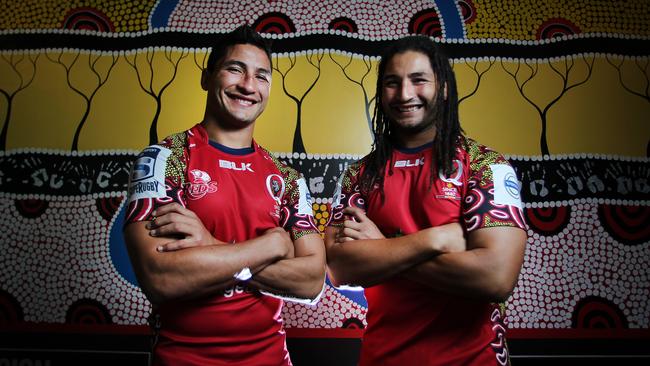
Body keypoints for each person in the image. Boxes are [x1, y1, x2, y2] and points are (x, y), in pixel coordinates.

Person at [123, 25, 326, 366]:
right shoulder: (166, 159)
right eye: (235, 69)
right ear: (207, 78)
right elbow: (161, 277)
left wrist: (211, 245)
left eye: (261, 76)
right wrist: (272, 246)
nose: (248, 85)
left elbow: (311, 281)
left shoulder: (286, 178)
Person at [325, 36, 527, 365]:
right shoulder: (358, 175)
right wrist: (435, 239)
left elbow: (496, 277)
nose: (405, 94)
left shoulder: (484, 165)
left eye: (419, 80)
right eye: (393, 83)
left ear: (444, 87)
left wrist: (381, 247)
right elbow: (339, 266)